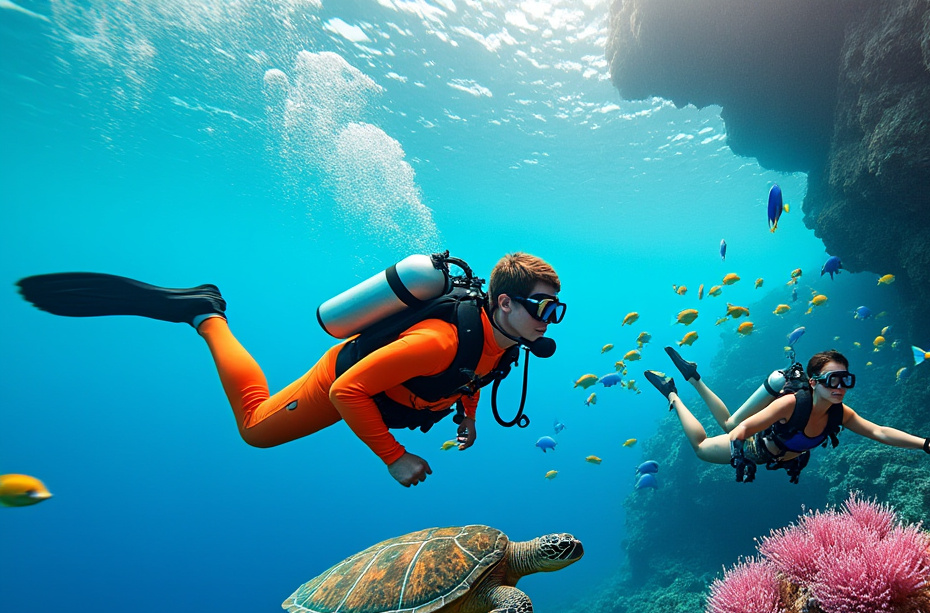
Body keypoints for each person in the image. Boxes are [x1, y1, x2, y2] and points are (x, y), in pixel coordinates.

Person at [18, 252, 564, 487]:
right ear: (503, 303)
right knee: (255, 429)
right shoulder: (437, 342)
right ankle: (205, 314)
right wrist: (395, 459)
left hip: (393, 392)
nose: (550, 320)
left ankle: (204, 311)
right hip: (344, 382)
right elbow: (352, 390)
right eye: (541, 307)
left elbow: (477, 372)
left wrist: (467, 416)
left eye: (554, 310)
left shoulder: (506, 338)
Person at [644, 347, 930, 483]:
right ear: (813, 382)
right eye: (833, 380)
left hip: (775, 452)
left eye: (846, 379)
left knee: (728, 422)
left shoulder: (840, 413)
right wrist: (738, 453)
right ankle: (673, 392)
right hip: (755, 448)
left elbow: (880, 432)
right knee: (702, 448)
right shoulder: (791, 404)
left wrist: (926, 444)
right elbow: (746, 428)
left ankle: (693, 376)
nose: (841, 387)